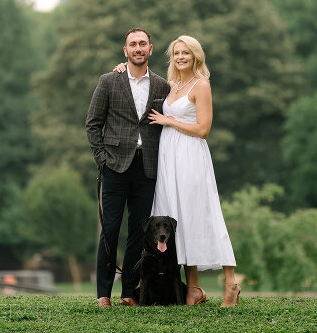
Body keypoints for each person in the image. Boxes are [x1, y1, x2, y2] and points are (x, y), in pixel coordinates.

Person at [116, 35, 240, 307]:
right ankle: (193, 289)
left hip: (191, 156)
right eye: (176, 53)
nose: (181, 57)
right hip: (169, 158)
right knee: (181, 220)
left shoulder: (201, 85)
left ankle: (231, 284)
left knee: (202, 215)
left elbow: (203, 129)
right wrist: (122, 68)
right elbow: (141, 77)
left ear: (196, 56)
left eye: (186, 53)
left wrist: (168, 120)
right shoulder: (173, 86)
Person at [86, 28, 171, 309]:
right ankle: (104, 294)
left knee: (139, 231)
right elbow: (93, 123)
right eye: (132, 44)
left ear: (150, 49)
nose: (137, 48)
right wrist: (102, 158)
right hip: (114, 165)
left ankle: (129, 293)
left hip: (147, 167)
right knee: (110, 230)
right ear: (125, 51)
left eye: (142, 44)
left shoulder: (161, 85)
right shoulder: (109, 80)